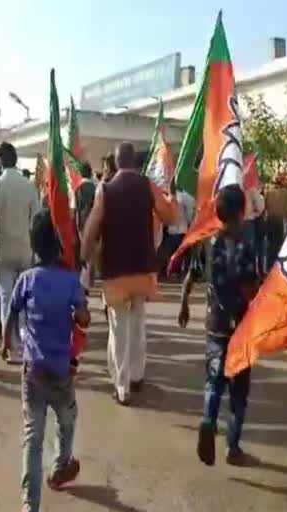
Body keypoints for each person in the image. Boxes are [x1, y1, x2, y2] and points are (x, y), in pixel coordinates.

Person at [3, 209, 90, 512]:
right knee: (67, 421)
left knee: (33, 437)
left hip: (32, 371)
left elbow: (12, 313)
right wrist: (82, 309)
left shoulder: (26, 280)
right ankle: (60, 467)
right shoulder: (70, 281)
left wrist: (6, 344)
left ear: (34, 247)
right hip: (60, 371)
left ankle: (30, 504)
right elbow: (83, 318)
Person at [81, 143, 177, 405]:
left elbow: (91, 228)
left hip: (115, 269)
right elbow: (169, 216)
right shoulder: (147, 186)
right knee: (137, 321)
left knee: (118, 326)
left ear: (117, 162)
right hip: (143, 267)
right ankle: (136, 375)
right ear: (134, 161)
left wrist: (84, 258)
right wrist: (171, 195)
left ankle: (122, 387)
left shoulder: (106, 189)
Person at [178, 184, 259, 468]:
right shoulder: (245, 247)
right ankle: (232, 447)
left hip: (215, 325)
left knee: (214, 380)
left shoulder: (208, 243)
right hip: (241, 327)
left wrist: (184, 303)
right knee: (239, 389)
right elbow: (251, 287)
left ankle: (208, 420)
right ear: (240, 212)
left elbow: (192, 276)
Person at [0, 142, 39, 365]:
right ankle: (27, 345)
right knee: (26, 300)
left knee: (6, 299)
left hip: (3, 251)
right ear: (16, 160)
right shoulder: (29, 186)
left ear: (0, 160)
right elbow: (36, 220)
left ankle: (12, 348)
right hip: (26, 250)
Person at [161, 186, 196, 278]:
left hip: (172, 231)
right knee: (183, 253)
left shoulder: (165, 196)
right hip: (181, 230)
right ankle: (182, 272)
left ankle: (170, 272)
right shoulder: (183, 196)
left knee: (171, 253)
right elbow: (189, 213)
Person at [74, 162, 96, 290]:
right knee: (92, 252)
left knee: (83, 251)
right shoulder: (95, 187)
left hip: (82, 223)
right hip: (94, 222)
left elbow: (75, 209)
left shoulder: (78, 189)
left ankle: (84, 281)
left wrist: (76, 224)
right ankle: (89, 280)